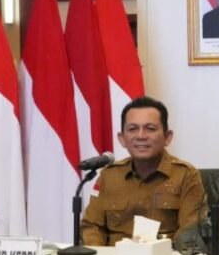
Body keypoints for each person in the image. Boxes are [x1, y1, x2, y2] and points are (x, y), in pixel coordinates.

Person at [82, 96, 205, 246]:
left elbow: (189, 234)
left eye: (150, 129)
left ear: (167, 137)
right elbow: (92, 227)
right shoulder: (109, 175)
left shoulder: (186, 175)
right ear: (122, 138)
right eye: (132, 129)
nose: (141, 136)